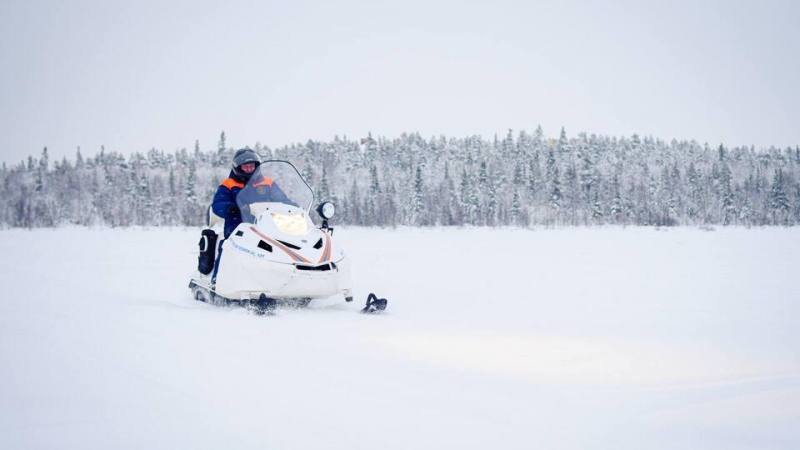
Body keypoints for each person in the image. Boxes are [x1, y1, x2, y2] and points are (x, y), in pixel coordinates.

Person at [211, 148, 292, 239]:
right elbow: (217, 205)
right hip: (237, 228)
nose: (249, 169)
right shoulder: (228, 184)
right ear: (238, 167)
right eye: (245, 166)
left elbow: (282, 200)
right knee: (228, 247)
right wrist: (230, 208)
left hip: (266, 228)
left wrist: (295, 208)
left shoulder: (267, 182)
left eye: (251, 166)